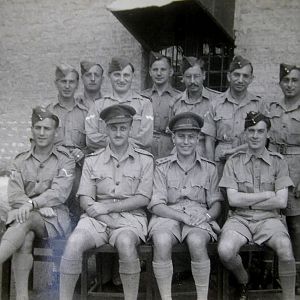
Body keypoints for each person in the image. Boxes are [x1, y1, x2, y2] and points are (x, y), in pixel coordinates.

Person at [59, 104, 154, 300]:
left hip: (130, 217)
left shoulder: (145, 160)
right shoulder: (93, 160)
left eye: (123, 127)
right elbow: (85, 198)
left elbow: (143, 198)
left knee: (126, 243)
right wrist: (107, 218)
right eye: (113, 127)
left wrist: (109, 207)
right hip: (96, 218)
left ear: (131, 129)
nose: (118, 132)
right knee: (74, 242)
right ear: (106, 130)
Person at [218, 111, 296, 300]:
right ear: (244, 133)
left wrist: (250, 201)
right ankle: (244, 280)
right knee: (225, 250)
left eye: (260, 131)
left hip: (270, 219)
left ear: (267, 134)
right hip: (239, 219)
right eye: (251, 130)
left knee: (286, 249)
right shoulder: (233, 162)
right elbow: (233, 200)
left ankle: (289, 297)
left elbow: (281, 201)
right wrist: (267, 195)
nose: (255, 136)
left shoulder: (278, 162)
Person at [0, 106, 75, 300]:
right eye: (38, 127)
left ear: (55, 132)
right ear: (32, 129)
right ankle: (22, 297)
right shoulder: (20, 161)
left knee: (25, 219)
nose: (41, 133)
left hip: (56, 218)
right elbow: (15, 195)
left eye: (47, 129)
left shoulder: (65, 160)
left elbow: (60, 192)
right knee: (25, 238)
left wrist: (32, 205)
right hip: (30, 216)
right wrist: (38, 205)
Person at [148, 112, 222, 300]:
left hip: (198, 216)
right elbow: (157, 204)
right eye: (181, 136)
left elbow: (216, 204)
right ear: (173, 138)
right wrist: (182, 217)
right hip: (167, 215)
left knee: (197, 242)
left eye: (191, 137)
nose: (186, 142)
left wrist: (206, 218)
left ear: (198, 138)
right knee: (162, 241)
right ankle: (166, 298)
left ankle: (202, 297)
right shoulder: (162, 166)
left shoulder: (209, 168)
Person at [267, 63, 300, 293]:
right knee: (271, 220)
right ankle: (269, 273)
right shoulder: (272, 108)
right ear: (280, 83)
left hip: (297, 168)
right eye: (286, 80)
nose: (290, 85)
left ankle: (295, 277)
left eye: (295, 80)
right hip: (273, 167)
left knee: (296, 225)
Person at [47, 63, 89, 226]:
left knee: (81, 194)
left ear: (77, 84)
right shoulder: (49, 111)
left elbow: (93, 144)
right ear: (56, 83)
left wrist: (82, 152)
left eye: (71, 82)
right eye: (63, 81)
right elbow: (40, 142)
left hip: (78, 166)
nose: (67, 86)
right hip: (54, 166)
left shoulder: (86, 112)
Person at [210, 55, 266, 177]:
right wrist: (210, 168)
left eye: (245, 76)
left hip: (249, 160)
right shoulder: (215, 103)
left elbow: (263, 139)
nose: (240, 80)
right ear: (229, 76)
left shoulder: (258, 105)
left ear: (251, 78)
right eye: (236, 75)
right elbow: (209, 140)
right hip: (221, 160)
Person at [85, 57, 154, 152]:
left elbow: (146, 140)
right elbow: (90, 139)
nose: (122, 80)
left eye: (126, 75)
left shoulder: (144, 104)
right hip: (104, 161)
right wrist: (120, 142)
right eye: (117, 75)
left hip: (135, 160)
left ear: (132, 76)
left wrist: (113, 142)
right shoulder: (98, 105)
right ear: (109, 76)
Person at [170, 56, 215, 160]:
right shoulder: (176, 103)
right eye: (188, 76)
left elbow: (211, 141)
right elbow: (171, 137)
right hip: (179, 158)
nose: (192, 81)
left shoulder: (215, 101)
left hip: (204, 157)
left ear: (204, 75)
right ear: (182, 78)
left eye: (196, 76)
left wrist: (210, 167)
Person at [141, 51, 182, 158]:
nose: (158, 73)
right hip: (146, 147)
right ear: (150, 72)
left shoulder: (179, 98)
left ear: (171, 72)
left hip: (170, 148)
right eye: (155, 70)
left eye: (163, 69)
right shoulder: (142, 97)